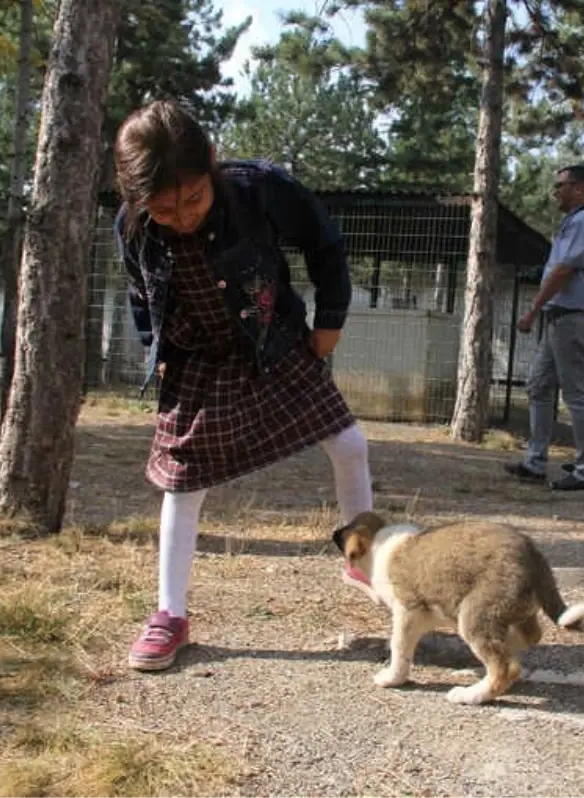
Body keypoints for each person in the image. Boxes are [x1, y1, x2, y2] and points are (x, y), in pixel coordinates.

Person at [113, 100, 373, 672]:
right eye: (162, 208)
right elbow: (139, 296)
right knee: (184, 483)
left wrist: (329, 322)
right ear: (135, 200)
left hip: (271, 339)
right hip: (195, 358)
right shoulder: (132, 229)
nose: (181, 217)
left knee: (350, 444)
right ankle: (169, 615)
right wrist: (149, 348)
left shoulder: (260, 189)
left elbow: (325, 244)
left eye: (192, 199)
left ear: (212, 162)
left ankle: (365, 557)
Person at [504, 165, 584, 491]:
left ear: (578, 189)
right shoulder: (574, 223)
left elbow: (564, 270)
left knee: (577, 394)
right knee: (539, 385)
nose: (555, 192)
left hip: (575, 318)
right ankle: (535, 462)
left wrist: (533, 309)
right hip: (561, 318)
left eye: (560, 185)